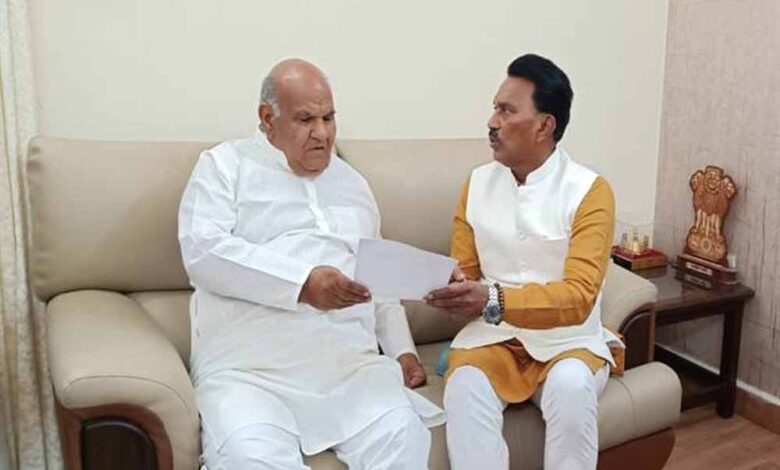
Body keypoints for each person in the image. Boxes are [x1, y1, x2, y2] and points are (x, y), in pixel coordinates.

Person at [179, 58, 442, 470]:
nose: (322, 133)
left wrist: (403, 351)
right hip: (251, 372)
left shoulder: (353, 183)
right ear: (268, 118)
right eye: (306, 119)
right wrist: (303, 283)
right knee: (249, 457)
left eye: (329, 118)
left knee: (402, 438)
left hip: (350, 370)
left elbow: (376, 278)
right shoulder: (224, 166)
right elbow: (203, 251)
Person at [426, 54, 624, 470]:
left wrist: (492, 300)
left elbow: (579, 297)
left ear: (544, 125)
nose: (492, 122)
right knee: (464, 387)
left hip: (567, 342)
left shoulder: (589, 191)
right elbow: (465, 269)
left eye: (506, 110)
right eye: (494, 108)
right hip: (492, 340)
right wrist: (452, 287)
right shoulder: (477, 183)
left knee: (571, 387)